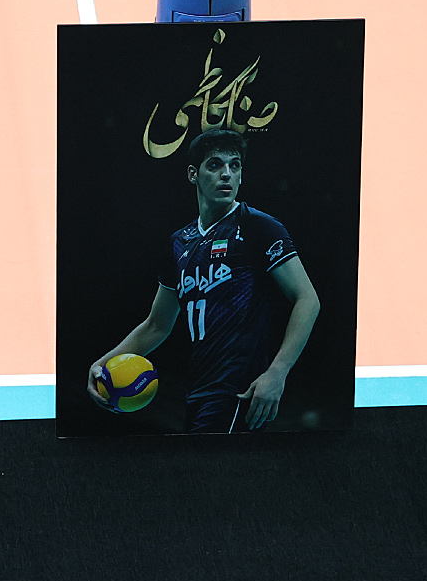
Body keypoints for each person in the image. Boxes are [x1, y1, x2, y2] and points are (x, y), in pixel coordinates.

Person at [87, 128, 321, 432]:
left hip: (242, 391)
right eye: (215, 165)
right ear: (193, 174)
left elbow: (307, 299)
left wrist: (278, 371)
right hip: (198, 392)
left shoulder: (257, 226)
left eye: (234, 166)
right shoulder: (179, 243)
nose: (227, 174)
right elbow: (157, 325)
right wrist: (103, 363)